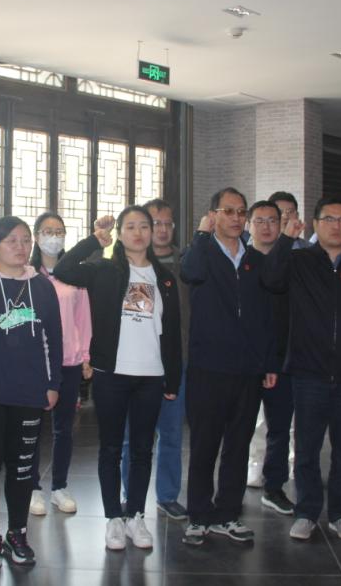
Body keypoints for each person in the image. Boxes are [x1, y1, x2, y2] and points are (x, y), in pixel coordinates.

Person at [54, 207, 182, 550]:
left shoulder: (164, 276)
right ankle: (113, 517)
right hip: (112, 373)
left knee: (142, 450)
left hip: (151, 374)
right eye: (130, 227)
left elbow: (172, 331)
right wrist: (95, 240)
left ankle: (135, 515)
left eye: (144, 226)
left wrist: (173, 378)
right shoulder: (105, 269)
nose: (138, 233)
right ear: (121, 234)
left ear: (152, 232)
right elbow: (64, 269)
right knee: (110, 448)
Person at [274, 197, 341, 542]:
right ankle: (306, 512)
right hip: (309, 372)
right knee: (306, 449)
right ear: (316, 223)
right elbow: (270, 279)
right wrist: (285, 239)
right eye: (329, 219)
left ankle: (340, 512)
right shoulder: (299, 260)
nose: (336, 226)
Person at [180, 188, 281, 546]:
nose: (237, 218)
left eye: (241, 212)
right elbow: (189, 272)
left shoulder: (254, 259)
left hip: (248, 369)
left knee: (238, 446)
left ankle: (227, 513)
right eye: (228, 211)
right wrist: (201, 234)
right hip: (208, 367)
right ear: (214, 215)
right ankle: (198, 515)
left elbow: (266, 315)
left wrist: (268, 362)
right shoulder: (202, 252)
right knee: (204, 445)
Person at [0, 216, 63, 569]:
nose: (21, 247)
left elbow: (53, 338)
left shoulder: (42, 286)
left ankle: (17, 533)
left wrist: (53, 384)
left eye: (25, 240)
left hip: (28, 391)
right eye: (11, 241)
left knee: (23, 468)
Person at [119, 198, 190, 521]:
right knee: (131, 437)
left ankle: (167, 495)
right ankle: (129, 496)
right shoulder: (127, 266)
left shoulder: (186, 264)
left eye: (167, 224)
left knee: (171, 434)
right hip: (136, 364)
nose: (161, 230)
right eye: (155, 223)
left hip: (176, 361)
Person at [25, 212, 92, 517]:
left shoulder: (74, 275)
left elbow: (83, 318)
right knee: (33, 427)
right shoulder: (27, 274)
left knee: (64, 428)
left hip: (69, 361)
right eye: (48, 231)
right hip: (36, 361)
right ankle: (32, 487)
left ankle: (60, 486)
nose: (54, 236)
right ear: (37, 236)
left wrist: (86, 355)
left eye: (59, 231)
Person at [244, 200, 296, 515]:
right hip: (245, 359)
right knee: (238, 427)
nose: (266, 227)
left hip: (281, 358)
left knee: (279, 427)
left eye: (273, 221)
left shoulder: (292, 260)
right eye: (259, 220)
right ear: (248, 224)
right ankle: (232, 486)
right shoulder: (239, 259)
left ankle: (274, 486)